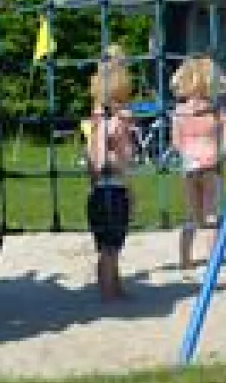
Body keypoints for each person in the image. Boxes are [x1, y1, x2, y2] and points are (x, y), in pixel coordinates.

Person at [170, 55, 226, 268]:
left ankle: (185, 258)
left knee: (191, 215)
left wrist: (190, 155)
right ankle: (212, 259)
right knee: (211, 215)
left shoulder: (179, 112)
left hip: (189, 165)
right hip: (211, 164)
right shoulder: (217, 112)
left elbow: (176, 144)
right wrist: (223, 155)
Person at [85, 49, 136, 302]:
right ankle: (108, 291)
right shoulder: (112, 123)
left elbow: (92, 163)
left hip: (100, 191)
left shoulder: (96, 122)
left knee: (109, 247)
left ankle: (113, 286)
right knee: (110, 247)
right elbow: (110, 160)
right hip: (111, 191)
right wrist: (122, 153)